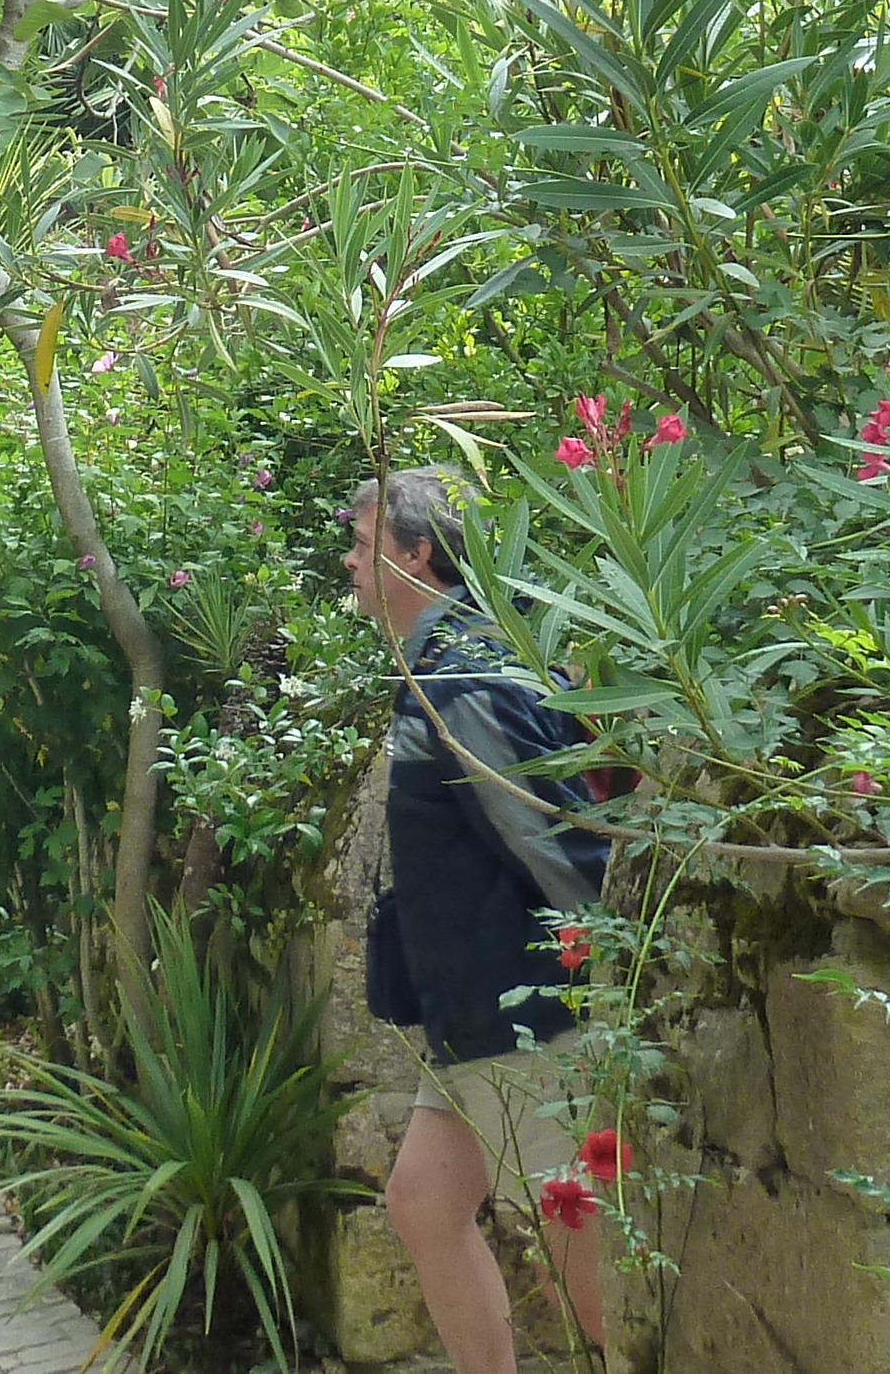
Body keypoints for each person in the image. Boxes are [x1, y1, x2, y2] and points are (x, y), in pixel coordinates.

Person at [346, 465, 610, 1374]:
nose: (349, 561)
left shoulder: (460, 681)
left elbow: (552, 841)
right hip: (478, 1016)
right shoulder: (444, 668)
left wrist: (616, 967)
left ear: (417, 554)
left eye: (363, 542)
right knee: (424, 1203)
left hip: (527, 1018)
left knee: (596, 1282)